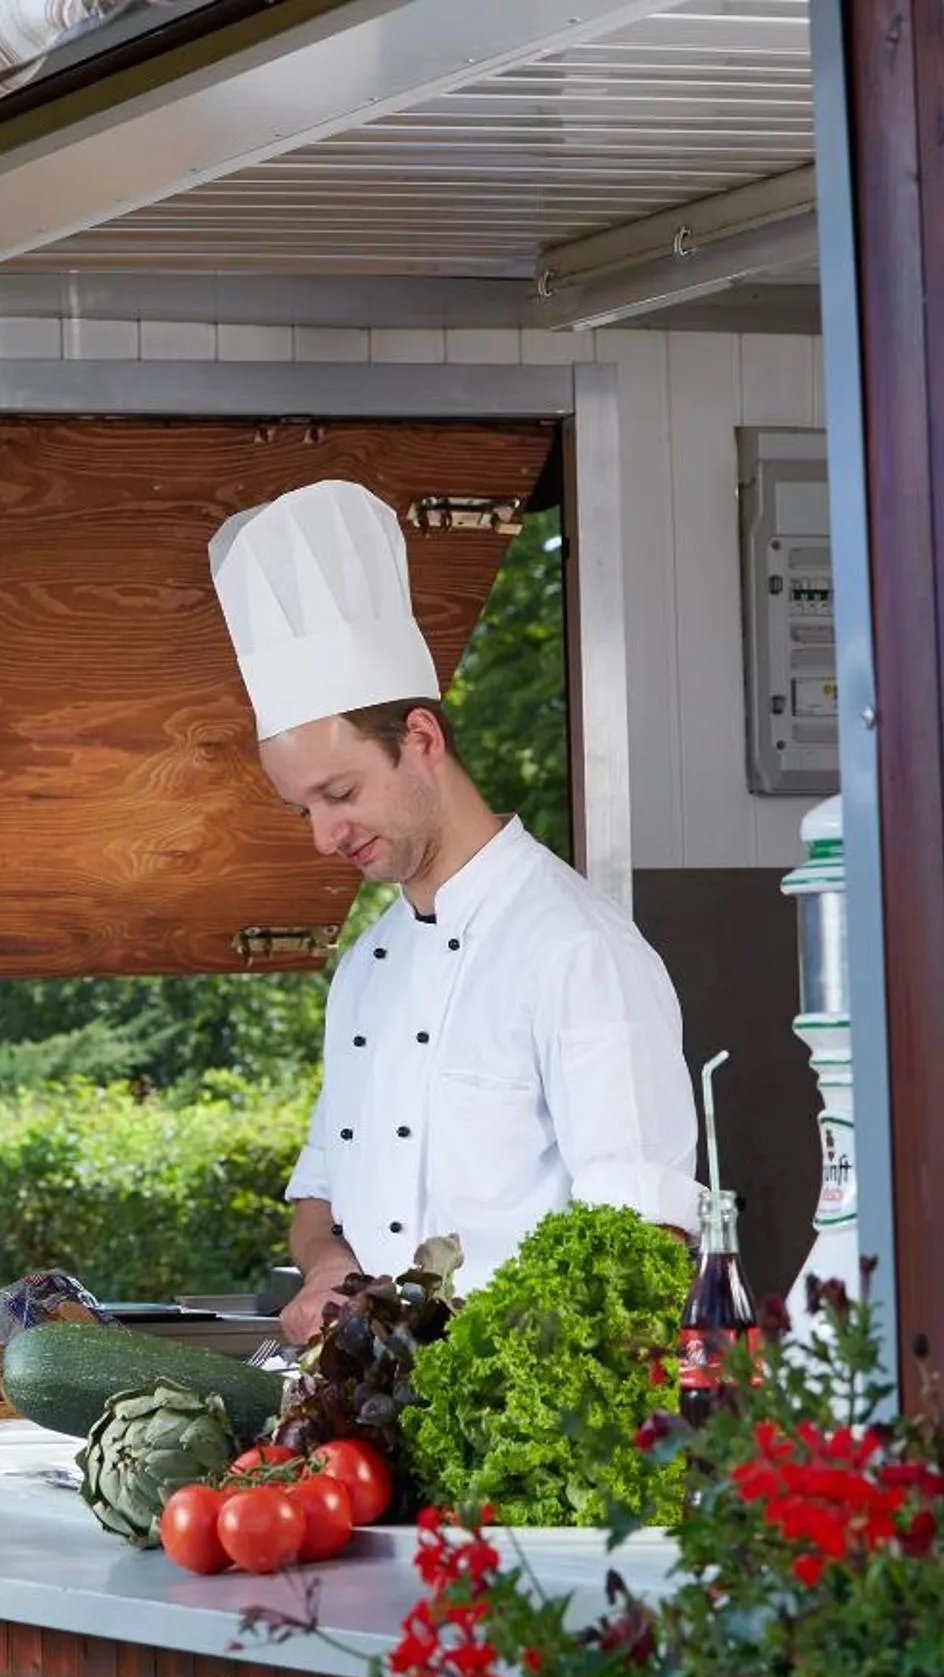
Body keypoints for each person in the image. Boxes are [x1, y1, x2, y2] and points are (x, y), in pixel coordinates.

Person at [208, 479, 701, 1345]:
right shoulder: (366, 969)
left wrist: (495, 1368)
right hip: (379, 1437)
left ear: (423, 740)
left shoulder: (577, 950)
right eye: (304, 811)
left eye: (340, 793)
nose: (325, 836)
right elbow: (320, 1196)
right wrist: (329, 1267)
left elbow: (644, 1246)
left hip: (525, 1426)